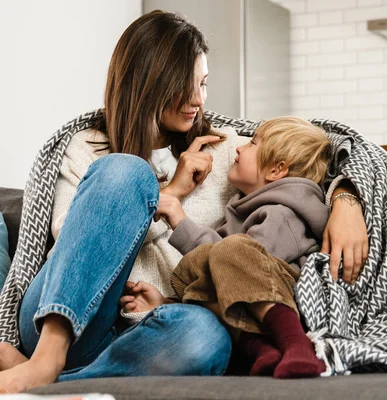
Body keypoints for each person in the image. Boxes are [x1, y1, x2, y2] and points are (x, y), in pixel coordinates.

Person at [0, 10, 367, 394]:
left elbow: (328, 146)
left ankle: (50, 379)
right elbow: (76, 242)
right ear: (148, 84)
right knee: (125, 171)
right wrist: (171, 194)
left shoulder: (228, 150)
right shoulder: (86, 149)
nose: (198, 99)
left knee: (206, 337)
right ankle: (45, 360)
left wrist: (346, 197)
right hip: (63, 319)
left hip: (155, 329)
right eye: (185, 85)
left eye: (204, 84)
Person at [121, 117, 331, 379]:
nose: (240, 148)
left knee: (227, 253)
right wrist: (166, 303)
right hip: (247, 303)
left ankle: (296, 343)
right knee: (193, 268)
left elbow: (244, 267)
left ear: (277, 170)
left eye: (253, 143)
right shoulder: (243, 210)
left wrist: (180, 220)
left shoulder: (283, 213)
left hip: (284, 299)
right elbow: (221, 282)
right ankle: (260, 349)